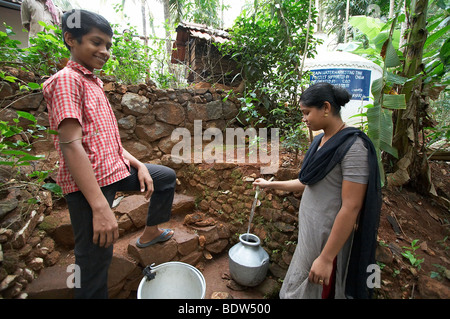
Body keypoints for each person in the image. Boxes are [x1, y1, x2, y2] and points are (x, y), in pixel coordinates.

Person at [42, 9, 176, 299]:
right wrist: (101, 208)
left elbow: (107, 140)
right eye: (96, 42)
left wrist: (139, 165)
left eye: (108, 45)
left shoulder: (92, 81)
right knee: (93, 265)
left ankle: (150, 233)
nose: (104, 51)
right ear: (71, 39)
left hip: (114, 170)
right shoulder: (67, 80)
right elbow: (71, 145)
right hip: (89, 186)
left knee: (164, 177)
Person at [253, 82, 381, 299]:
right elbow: (307, 182)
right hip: (309, 232)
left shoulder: (354, 147)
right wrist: (270, 185)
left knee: (318, 290)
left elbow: (352, 206)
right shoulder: (321, 141)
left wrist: (326, 258)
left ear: (326, 108)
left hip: (328, 238)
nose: (304, 118)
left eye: (307, 112)